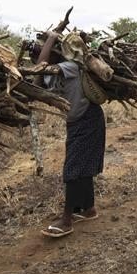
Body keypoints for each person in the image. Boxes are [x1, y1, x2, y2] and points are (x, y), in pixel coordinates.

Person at [36, 31, 106, 238]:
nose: (40, 55)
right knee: (81, 166)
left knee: (73, 167)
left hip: (88, 118)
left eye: (43, 51)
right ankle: (88, 209)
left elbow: (40, 65)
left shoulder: (70, 68)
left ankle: (66, 220)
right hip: (77, 121)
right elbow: (37, 75)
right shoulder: (52, 73)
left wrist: (51, 38)